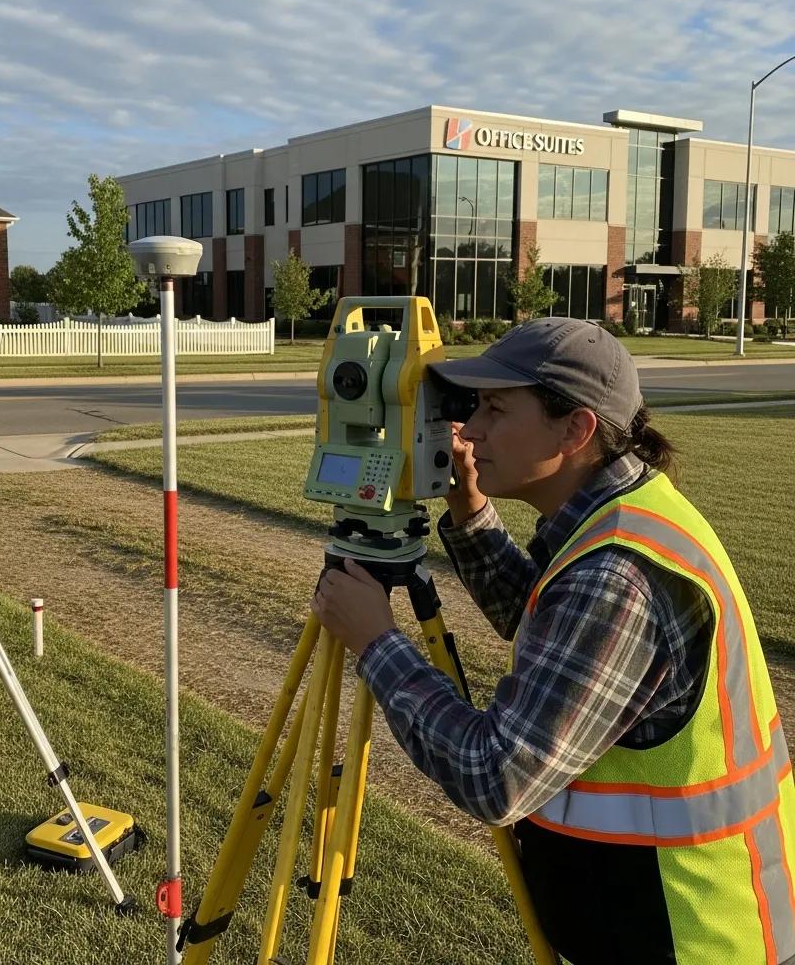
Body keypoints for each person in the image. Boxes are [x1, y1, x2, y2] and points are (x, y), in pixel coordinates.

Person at [311, 316, 795, 965]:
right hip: (663, 922)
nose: (470, 429)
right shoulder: (622, 513)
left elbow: (495, 774)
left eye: (496, 408)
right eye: (473, 406)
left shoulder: (617, 573)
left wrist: (376, 642)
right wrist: (469, 511)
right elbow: (552, 630)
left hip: (692, 935)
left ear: (577, 430)